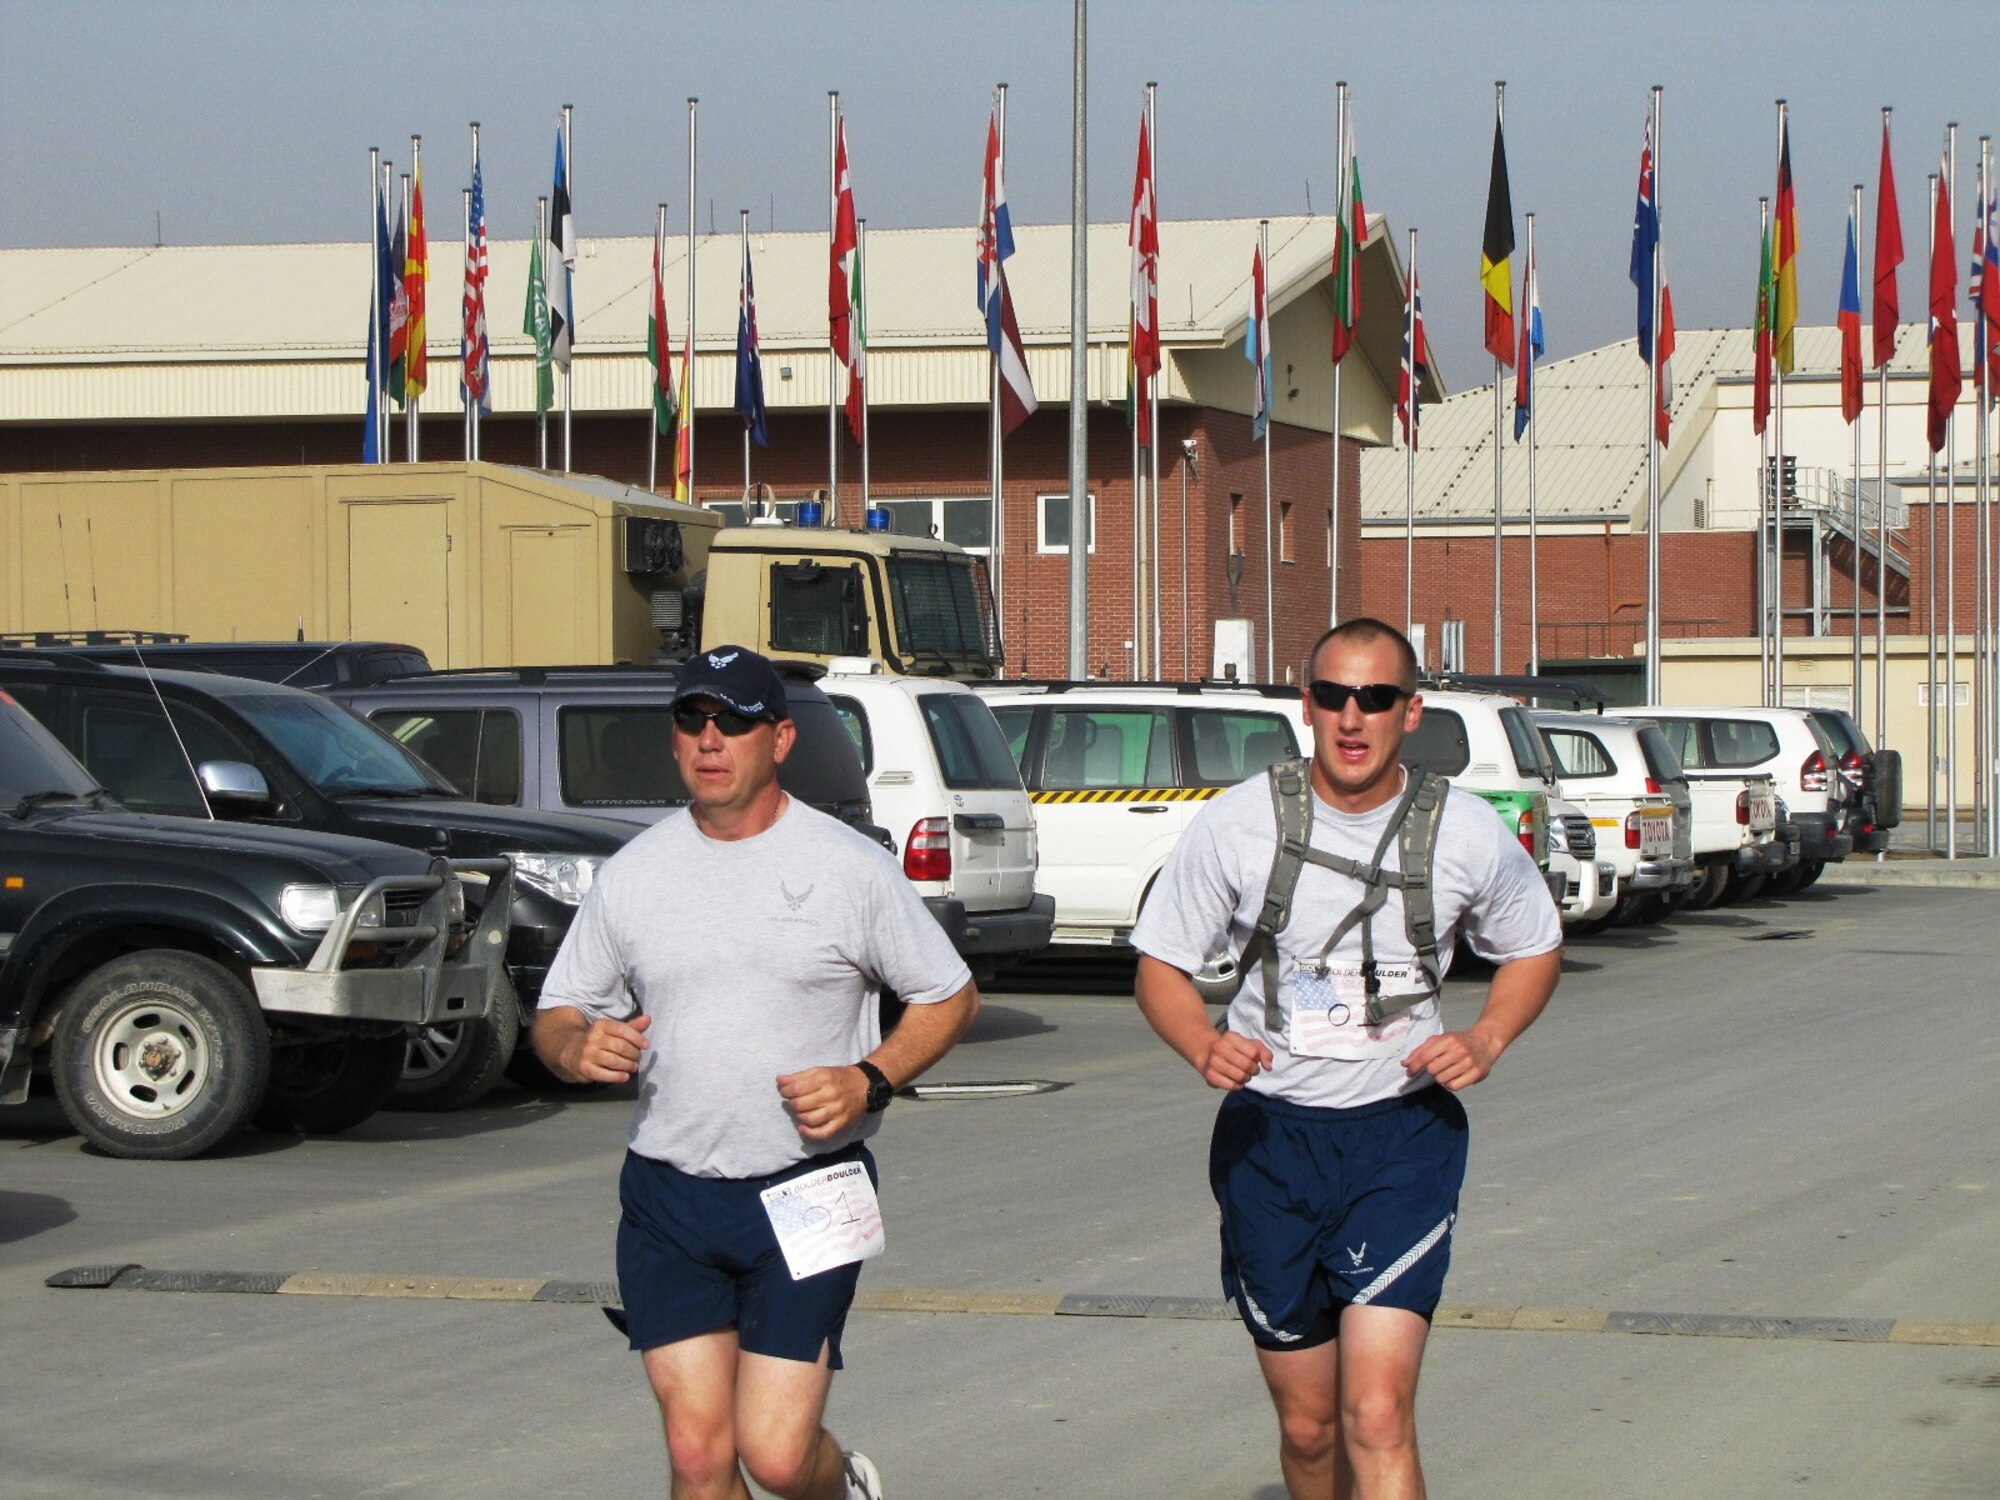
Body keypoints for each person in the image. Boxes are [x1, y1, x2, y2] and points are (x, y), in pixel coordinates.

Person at [533, 644, 979, 1500]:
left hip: (810, 1188)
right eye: (692, 720)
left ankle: (840, 1486)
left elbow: (948, 997)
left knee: (775, 1457)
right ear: (673, 740)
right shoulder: (635, 874)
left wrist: (871, 1079)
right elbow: (559, 1012)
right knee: (700, 1462)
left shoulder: (849, 868)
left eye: (733, 722)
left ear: (778, 740)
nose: (710, 739)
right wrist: (571, 1047)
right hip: (670, 1193)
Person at [1132, 618, 1562, 1500]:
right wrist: (1202, 1044)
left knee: (1374, 1412)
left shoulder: (1464, 830)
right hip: (1271, 1143)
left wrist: (1485, 1037)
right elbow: (1160, 966)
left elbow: (1534, 946)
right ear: (1308, 705)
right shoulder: (1240, 823)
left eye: (1375, 697)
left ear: (1411, 711)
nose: (1352, 717)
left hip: (1402, 1138)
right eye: (1333, 696)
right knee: (1309, 1425)